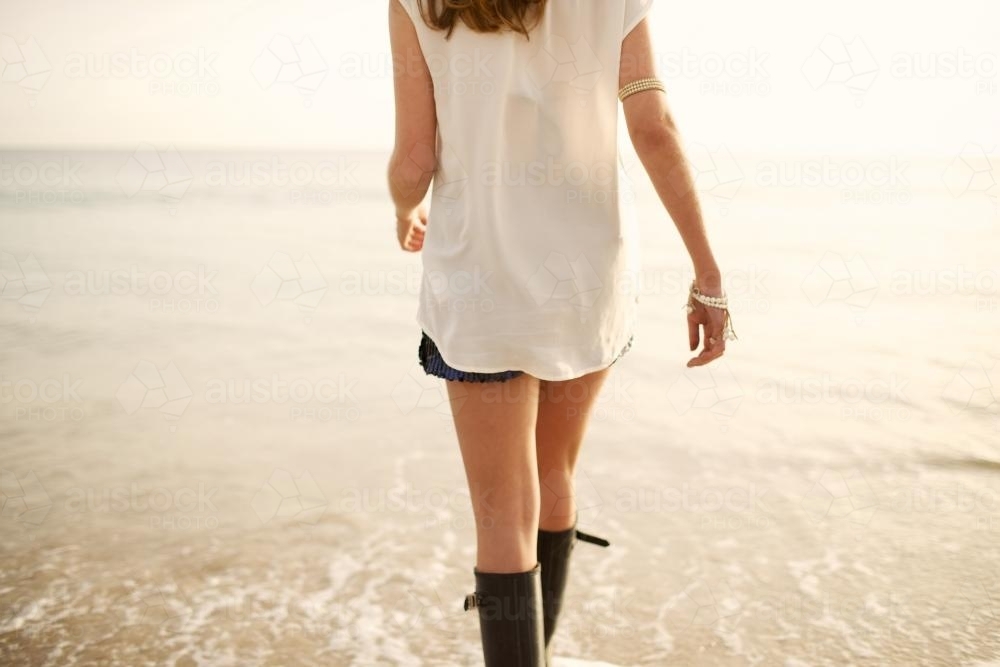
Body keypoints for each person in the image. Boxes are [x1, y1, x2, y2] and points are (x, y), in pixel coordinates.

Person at [387, 0, 735, 663]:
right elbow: (654, 127)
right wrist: (708, 272)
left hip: (480, 283)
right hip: (586, 278)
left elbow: (412, 159)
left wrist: (405, 210)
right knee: (555, 474)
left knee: (501, 517)